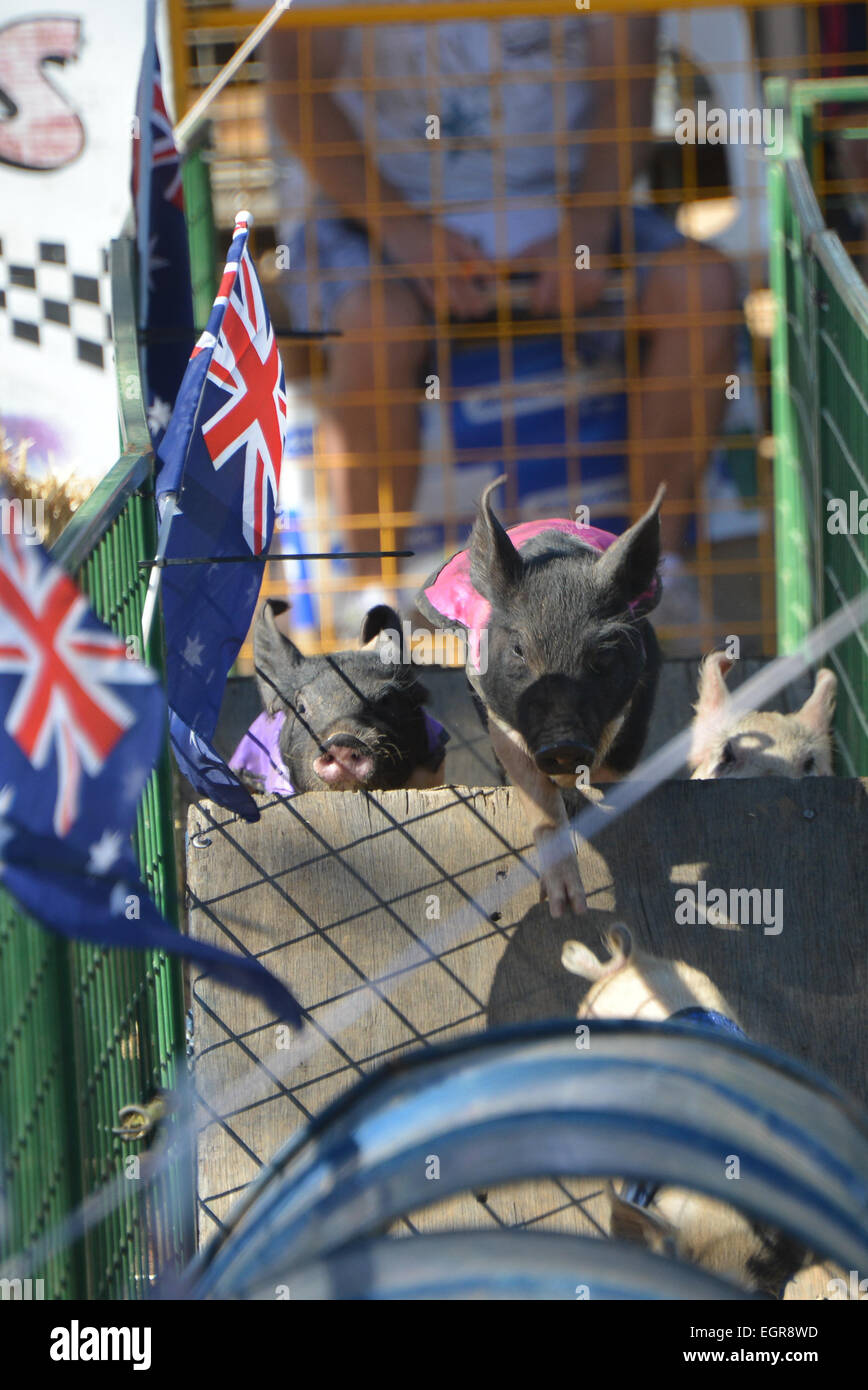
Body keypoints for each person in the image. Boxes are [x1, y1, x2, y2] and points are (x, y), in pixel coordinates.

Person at [255, 6, 737, 633]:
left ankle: (650, 571)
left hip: (567, 202)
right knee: (376, 322)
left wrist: (587, 225)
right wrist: (404, 233)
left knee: (703, 286)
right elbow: (294, 92)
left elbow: (630, 75)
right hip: (375, 213)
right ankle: (368, 601)